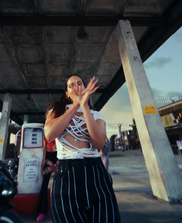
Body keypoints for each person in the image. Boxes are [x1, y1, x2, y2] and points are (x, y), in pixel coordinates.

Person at [44, 74, 120, 223]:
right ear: (67, 94)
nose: (76, 86)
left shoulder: (96, 115)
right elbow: (50, 134)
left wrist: (84, 106)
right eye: (71, 85)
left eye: (79, 83)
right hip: (67, 172)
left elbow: (99, 144)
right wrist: (76, 105)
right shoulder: (57, 109)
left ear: (85, 88)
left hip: (95, 171)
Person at [36, 139, 58, 222]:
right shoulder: (45, 129)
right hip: (49, 156)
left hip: (59, 155)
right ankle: (42, 211)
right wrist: (44, 160)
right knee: (44, 184)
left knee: (61, 183)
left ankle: (60, 209)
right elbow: (44, 146)